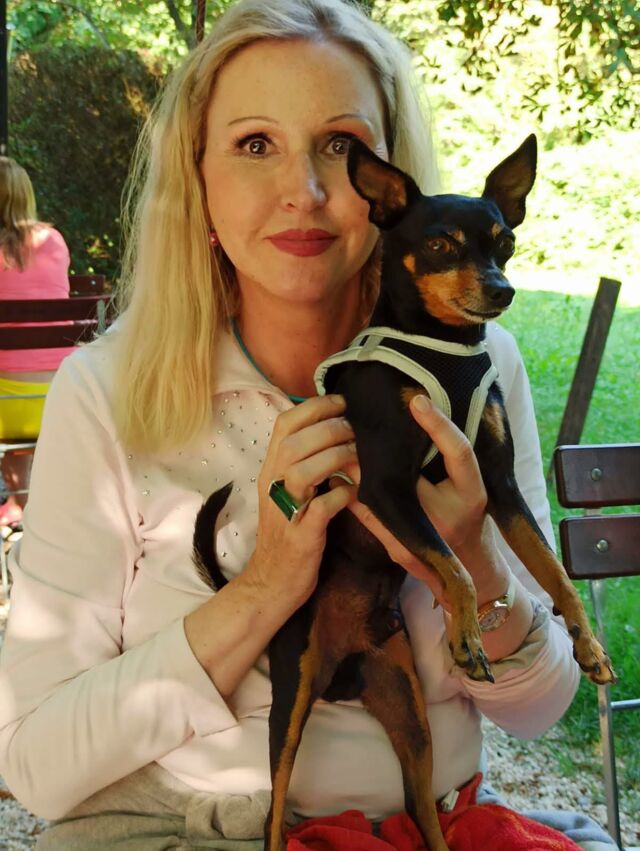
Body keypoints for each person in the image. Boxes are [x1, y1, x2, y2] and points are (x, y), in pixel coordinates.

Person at [0, 2, 617, 849]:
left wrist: (472, 554)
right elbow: (36, 763)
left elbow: (541, 708)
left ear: (388, 184)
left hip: (437, 826)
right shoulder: (108, 390)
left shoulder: (477, 362)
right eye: (255, 144)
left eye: (338, 144)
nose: (306, 191)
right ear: (198, 176)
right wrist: (263, 589)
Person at [0, 156, 72, 527]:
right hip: (60, 394)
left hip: (5, 407)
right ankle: (23, 502)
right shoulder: (53, 241)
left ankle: (22, 502)